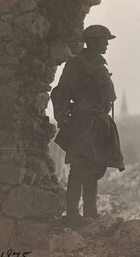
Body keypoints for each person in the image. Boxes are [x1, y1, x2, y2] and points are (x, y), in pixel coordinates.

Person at [51, 25, 125, 229]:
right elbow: (60, 92)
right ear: (91, 42)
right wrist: (61, 116)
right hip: (84, 123)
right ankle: (73, 215)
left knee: (94, 166)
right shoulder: (77, 63)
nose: (107, 43)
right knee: (80, 168)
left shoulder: (98, 64)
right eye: (104, 40)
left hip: (99, 122)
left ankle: (90, 212)